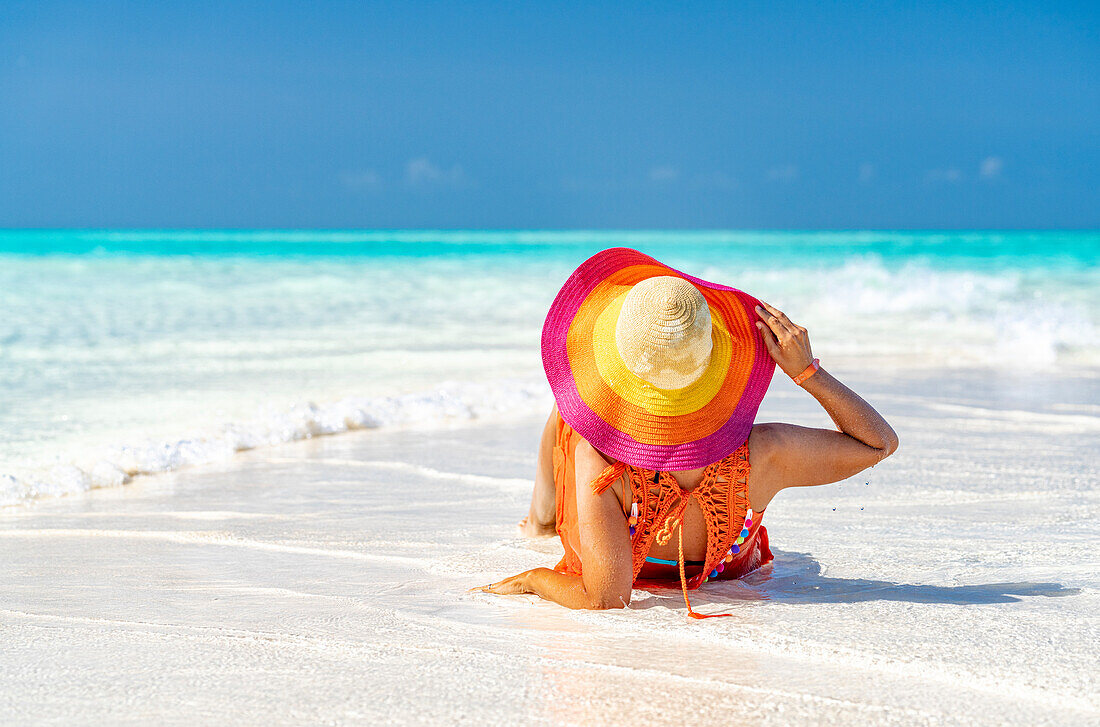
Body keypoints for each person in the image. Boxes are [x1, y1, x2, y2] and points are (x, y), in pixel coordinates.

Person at [474, 248, 898, 618]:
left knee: (569, 408)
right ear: (714, 359)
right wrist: (808, 373)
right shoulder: (763, 453)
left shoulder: (603, 461)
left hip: (614, 546)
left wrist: (534, 580)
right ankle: (540, 517)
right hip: (723, 566)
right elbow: (879, 443)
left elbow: (605, 598)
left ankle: (539, 519)